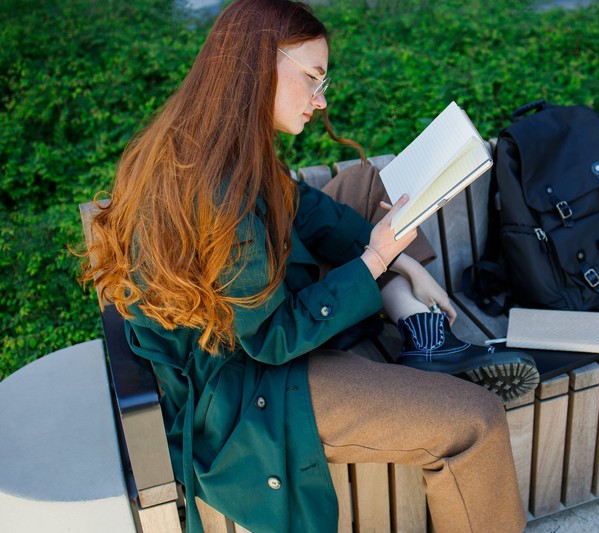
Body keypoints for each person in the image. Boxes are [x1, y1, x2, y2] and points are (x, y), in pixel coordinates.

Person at [81, 1, 538, 531]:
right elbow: (273, 338)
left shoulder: (213, 139)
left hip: (256, 325)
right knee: (476, 420)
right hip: (251, 385)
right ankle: (416, 331)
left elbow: (307, 208)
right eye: (313, 79)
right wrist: (377, 260)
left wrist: (407, 269)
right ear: (256, 66)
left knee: (373, 189)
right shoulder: (217, 191)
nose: (321, 102)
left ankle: (414, 322)